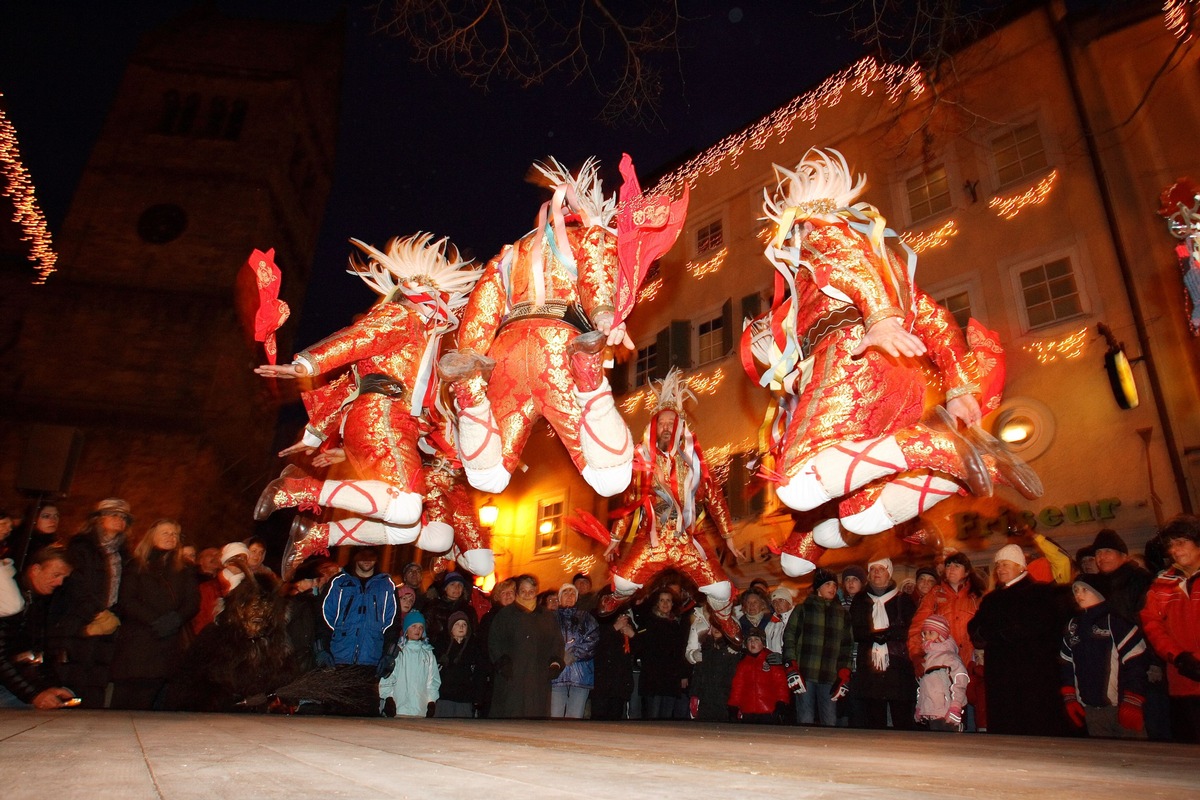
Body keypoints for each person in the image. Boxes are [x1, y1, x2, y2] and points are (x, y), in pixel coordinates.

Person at [745, 148, 1040, 576]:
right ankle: (961, 472)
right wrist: (959, 388)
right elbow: (936, 320)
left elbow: (843, 263)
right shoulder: (890, 264)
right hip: (901, 378)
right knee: (862, 515)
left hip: (851, 358)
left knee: (796, 480)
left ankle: (944, 449)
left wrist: (880, 320)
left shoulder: (821, 231)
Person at [254, 233, 479, 563]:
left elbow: (349, 387)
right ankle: (297, 490)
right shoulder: (403, 318)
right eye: (430, 290)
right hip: (384, 414)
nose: (439, 300)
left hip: (387, 420)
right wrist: (306, 364)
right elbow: (359, 338)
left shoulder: (424, 342)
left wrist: (316, 436)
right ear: (413, 292)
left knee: (405, 528)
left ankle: (319, 534)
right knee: (405, 507)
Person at [439, 157, 634, 498]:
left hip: (505, 355)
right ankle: (588, 380)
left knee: (487, 478)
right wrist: (605, 314)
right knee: (610, 479)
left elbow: (483, 306)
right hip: (561, 350)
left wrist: (470, 349)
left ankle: (469, 392)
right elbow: (595, 275)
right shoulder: (592, 236)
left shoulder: (512, 252)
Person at [597, 369, 747, 643]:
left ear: (680, 429)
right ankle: (615, 597)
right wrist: (615, 537)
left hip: (690, 541)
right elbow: (630, 501)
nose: (666, 428)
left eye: (671, 423)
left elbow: (715, 498)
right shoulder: (642, 463)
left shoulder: (695, 464)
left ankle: (725, 618)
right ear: (654, 429)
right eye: (661, 423)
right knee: (624, 582)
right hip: (650, 541)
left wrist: (728, 536)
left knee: (722, 589)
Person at [968, 542, 1073, 736]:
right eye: (998, 565)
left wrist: (998, 633)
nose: (1000, 569)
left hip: (1031, 674)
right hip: (1000, 673)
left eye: (1006, 564)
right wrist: (987, 634)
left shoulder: (1039, 593)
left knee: (1032, 725)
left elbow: (1034, 627)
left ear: (1021, 566)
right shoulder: (992, 599)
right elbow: (975, 627)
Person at [109, 519, 199, 710]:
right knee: (126, 702)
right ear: (152, 536)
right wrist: (155, 621)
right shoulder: (137, 565)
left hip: (168, 644)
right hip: (138, 644)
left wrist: (176, 619)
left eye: (174, 534)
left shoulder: (185, 568)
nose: (171, 537)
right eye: (165, 533)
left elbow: (192, 601)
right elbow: (127, 600)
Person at [52, 497, 132, 707]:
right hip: (82, 620)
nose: (119, 520)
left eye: (123, 517)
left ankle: (91, 718)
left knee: (97, 679)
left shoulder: (123, 553)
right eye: (113, 514)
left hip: (110, 621)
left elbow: (125, 588)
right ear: (99, 519)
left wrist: (115, 614)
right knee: (76, 675)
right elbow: (74, 584)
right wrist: (96, 613)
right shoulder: (81, 547)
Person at [1060, 574, 1148, 739]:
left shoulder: (1116, 622)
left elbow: (1136, 661)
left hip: (1122, 707)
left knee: (1135, 757)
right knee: (1102, 759)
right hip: (1092, 710)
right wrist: (1070, 697)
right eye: (1076, 590)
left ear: (1099, 592)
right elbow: (1066, 663)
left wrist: (1133, 699)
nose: (1078, 594)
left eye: (1085, 590)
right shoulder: (1074, 626)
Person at [907, 550, 986, 729]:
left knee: (973, 706)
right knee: (945, 710)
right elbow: (918, 627)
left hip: (970, 661)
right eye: (948, 565)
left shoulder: (977, 596)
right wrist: (917, 655)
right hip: (942, 665)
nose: (951, 569)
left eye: (956, 566)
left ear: (966, 571)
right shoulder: (935, 595)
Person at [1140, 514, 1200, 742]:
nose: (1175, 550)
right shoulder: (1162, 584)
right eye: (1171, 545)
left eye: (1181, 542)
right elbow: (1152, 625)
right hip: (1181, 682)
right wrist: (1179, 657)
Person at [0, 546, 77, 709]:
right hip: (5, 683)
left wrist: (50, 687)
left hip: (11, 679)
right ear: (36, 569)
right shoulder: (9, 600)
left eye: (64, 577)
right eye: (56, 575)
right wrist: (34, 695)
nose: (59, 582)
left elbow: (37, 653)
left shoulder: (37, 601)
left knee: (64, 696)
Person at [849, 557, 917, 729]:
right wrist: (873, 636)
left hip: (897, 668)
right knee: (874, 720)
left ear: (889, 572)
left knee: (901, 719)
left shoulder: (904, 600)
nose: (877, 572)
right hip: (871, 668)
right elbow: (855, 629)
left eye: (881, 568)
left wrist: (887, 634)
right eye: (873, 569)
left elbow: (911, 629)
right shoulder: (860, 600)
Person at [783, 568, 852, 727]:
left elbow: (846, 646)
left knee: (830, 721)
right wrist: (791, 666)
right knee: (805, 719)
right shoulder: (803, 609)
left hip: (830, 675)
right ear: (818, 587)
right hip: (805, 672)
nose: (833, 588)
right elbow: (789, 637)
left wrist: (844, 673)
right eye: (828, 584)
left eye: (835, 585)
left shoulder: (842, 614)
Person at [487, 574, 564, 718]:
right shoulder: (506, 615)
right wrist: (502, 662)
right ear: (517, 591)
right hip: (512, 677)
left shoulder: (546, 616)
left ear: (536, 592)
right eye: (523, 591)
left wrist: (555, 662)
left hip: (538, 677)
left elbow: (556, 643)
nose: (527, 595)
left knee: (535, 714)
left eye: (531, 591)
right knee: (511, 713)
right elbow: (494, 641)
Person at [320, 548, 398, 674]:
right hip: (339, 661)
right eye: (362, 555)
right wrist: (322, 650)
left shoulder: (386, 585)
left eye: (371, 555)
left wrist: (388, 654)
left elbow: (392, 624)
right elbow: (324, 619)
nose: (367, 560)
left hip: (371, 660)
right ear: (355, 556)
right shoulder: (338, 582)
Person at [632, 588, 691, 719]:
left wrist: (683, 674)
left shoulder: (678, 623)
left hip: (671, 678)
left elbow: (681, 650)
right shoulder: (648, 621)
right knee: (653, 717)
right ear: (656, 603)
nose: (665, 604)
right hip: (653, 678)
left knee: (667, 719)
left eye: (668, 600)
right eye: (662, 600)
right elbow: (641, 645)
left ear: (673, 603)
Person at [551, 583, 599, 718]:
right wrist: (560, 656)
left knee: (575, 716)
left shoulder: (587, 618)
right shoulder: (550, 618)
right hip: (557, 674)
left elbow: (593, 639)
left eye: (572, 593)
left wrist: (574, 655)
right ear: (559, 598)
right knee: (555, 714)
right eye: (565, 593)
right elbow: (546, 641)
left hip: (581, 674)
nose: (569, 596)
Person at [380, 610, 440, 718]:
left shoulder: (428, 653)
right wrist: (388, 697)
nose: (417, 630)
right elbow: (388, 676)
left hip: (420, 708)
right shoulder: (397, 651)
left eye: (420, 627)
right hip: (399, 707)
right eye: (414, 626)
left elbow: (433, 680)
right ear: (406, 630)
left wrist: (431, 701)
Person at [914, 614, 969, 732]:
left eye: (931, 633)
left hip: (948, 713)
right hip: (931, 712)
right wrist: (920, 707)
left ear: (941, 635)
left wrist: (956, 706)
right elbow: (923, 686)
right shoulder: (926, 659)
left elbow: (960, 681)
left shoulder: (949, 657)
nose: (927, 637)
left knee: (952, 746)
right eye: (925, 633)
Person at [728, 627, 791, 724]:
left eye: (756, 640)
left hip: (769, 711)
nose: (752, 643)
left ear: (763, 643)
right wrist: (733, 706)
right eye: (749, 640)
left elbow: (780, 684)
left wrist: (781, 702)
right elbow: (737, 687)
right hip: (748, 711)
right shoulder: (743, 663)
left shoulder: (771, 659)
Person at [434, 610, 487, 717]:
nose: (461, 627)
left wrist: (478, 698)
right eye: (457, 624)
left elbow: (479, 673)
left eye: (464, 624)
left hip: (465, 698)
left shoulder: (474, 648)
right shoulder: (441, 646)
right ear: (451, 628)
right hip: (444, 697)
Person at [425, 571, 476, 646]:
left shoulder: (469, 611)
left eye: (460, 585)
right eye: (452, 584)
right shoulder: (433, 608)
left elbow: (474, 634)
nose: (457, 588)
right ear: (445, 588)